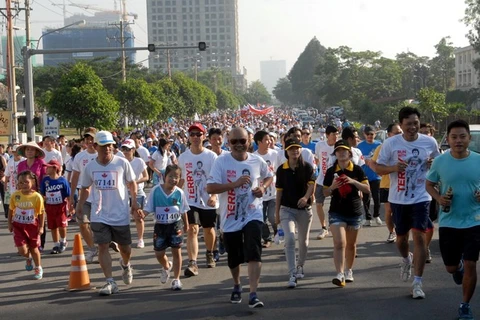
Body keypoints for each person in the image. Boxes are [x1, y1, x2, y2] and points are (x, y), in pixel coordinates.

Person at [376, 106, 440, 299]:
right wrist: (394, 167)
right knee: (402, 240)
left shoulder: (429, 142)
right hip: (398, 198)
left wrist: (432, 164)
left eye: (415, 123)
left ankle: (418, 283)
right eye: (408, 124)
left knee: (419, 238)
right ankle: (406, 259)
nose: (412, 127)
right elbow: (378, 168)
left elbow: (438, 162)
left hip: (422, 197)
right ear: (401, 125)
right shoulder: (391, 143)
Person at [207, 127, 273, 308]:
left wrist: (263, 188)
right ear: (228, 143)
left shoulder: (256, 161)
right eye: (234, 141)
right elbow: (210, 188)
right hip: (230, 216)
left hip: (253, 213)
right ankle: (237, 284)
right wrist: (234, 184)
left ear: (249, 141)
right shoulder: (221, 162)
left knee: (254, 251)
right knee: (234, 258)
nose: (238, 145)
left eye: (242, 141)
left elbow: (269, 176)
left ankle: (253, 294)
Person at [426, 120, 480, 319]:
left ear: (469, 139)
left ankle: (465, 306)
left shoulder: (478, 160)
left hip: (475, 220)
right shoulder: (440, 161)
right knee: (450, 267)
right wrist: (439, 198)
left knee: (472, 263)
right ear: (448, 139)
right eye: (454, 137)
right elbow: (429, 184)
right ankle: (457, 268)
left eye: (462, 136)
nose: (458, 140)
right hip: (449, 221)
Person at [77, 131, 138, 296]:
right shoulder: (90, 166)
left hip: (120, 213)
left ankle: (125, 265)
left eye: (110, 145)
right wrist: (80, 204)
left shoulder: (122, 163)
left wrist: (134, 202)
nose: (107, 149)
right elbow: (85, 188)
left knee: (126, 249)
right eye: (103, 146)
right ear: (95, 146)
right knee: (103, 246)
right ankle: (110, 282)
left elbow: (132, 183)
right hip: (99, 214)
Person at [323, 140, 370, 287]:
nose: (341, 153)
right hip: (337, 211)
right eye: (338, 151)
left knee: (351, 244)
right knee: (339, 243)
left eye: (344, 150)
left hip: (354, 211)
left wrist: (353, 182)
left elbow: (367, 189)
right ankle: (340, 273)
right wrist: (332, 187)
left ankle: (349, 270)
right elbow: (324, 192)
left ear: (350, 153)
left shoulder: (357, 170)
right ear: (335, 154)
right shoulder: (331, 171)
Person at [142, 164, 190, 290]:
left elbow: (183, 210)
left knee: (176, 251)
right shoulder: (156, 190)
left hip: (175, 225)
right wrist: (142, 214)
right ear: (164, 176)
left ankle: (176, 279)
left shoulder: (179, 192)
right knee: (159, 253)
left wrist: (187, 224)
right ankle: (166, 266)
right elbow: (148, 208)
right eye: (171, 176)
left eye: (176, 177)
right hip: (160, 226)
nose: (173, 179)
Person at [178, 123, 218, 273]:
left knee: (208, 229)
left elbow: (217, 178)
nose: (195, 137)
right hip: (190, 199)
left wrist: (214, 195)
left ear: (203, 136)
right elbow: (181, 179)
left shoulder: (211, 156)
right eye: (192, 134)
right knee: (192, 229)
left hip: (208, 199)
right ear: (188, 137)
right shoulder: (183, 157)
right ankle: (192, 262)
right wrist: (174, 194)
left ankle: (209, 253)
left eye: (198, 134)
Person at [275, 137, 315, 288]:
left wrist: (306, 197)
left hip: (304, 210)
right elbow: (279, 192)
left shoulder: (307, 167)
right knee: (290, 239)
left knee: (303, 241)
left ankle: (300, 265)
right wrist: (277, 213)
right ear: (286, 151)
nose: (295, 150)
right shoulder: (281, 169)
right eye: (292, 148)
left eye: (297, 148)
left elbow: (311, 185)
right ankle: (292, 273)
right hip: (287, 209)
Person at [69, 127, 101, 263]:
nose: (89, 141)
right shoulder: (80, 156)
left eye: (92, 138)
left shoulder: (102, 155)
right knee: (83, 223)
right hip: (84, 197)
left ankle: (104, 244)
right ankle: (92, 248)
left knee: (99, 226)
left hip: (101, 197)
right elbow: (75, 176)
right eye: (87, 138)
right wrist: (71, 196)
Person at [8, 170, 46, 280]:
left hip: (32, 226)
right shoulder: (15, 196)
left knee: (34, 248)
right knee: (22, 250)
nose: (23, 185)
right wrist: (9, 223)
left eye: (26, 182)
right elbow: (11, 210)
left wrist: (42, 227)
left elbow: (41, 213)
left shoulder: (37, 197)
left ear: (32, 182)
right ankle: (27, 257)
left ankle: (38, 267)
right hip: (18, 226)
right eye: (20, 183)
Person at [369, 123, 403, 243]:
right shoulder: (382, 147)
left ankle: (402, 232)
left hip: (402, 185)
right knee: (389, 211)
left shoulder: (407, 146)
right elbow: (372, 163)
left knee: (402, 211)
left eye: (401, 132)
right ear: (389, 135)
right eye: (397, 133)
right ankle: (391, 231)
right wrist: (379, 172)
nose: (400, 135)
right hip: (387, 185)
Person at [17, 141, 47, 251]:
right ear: (24, 151)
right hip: (24, 195)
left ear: (36, 152)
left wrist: (44, 194)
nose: (29, 151)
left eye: (32, 149)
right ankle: (27, 243)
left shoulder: (41, 163)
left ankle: (40, 243)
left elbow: (44, 179)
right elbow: (19, 181)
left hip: (38, 195)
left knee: (39, 219)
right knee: (26, 219)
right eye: (27, 149)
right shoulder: (21, 164)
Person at [121, 139, 149, 248]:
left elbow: (146, 177)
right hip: (123, 193)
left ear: (133, 149)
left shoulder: (139, 161)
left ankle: (140, 239)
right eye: (124, 149)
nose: (126, 151)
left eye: (128, 149)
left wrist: (134, 182)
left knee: (138, 217)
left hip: (138, 192)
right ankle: (124, 240)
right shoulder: (120, 161)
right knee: (123, 218)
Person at [254, 130, 279, 248]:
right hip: (260, 194)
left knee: (272, 217)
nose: (269, 142)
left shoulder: (275, 154)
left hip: (274, 192)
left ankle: (276, 230)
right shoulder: (254, 157)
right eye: (266, 140)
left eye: (270, 139)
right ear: (259, 142)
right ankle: (267, 238)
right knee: (261, 218)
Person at [40, 160, 71, 254]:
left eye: (48, 167)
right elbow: (42, 193)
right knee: (53, 227)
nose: (46, 169)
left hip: (60, 207)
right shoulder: (45, 180)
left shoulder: (62, 180)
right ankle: (56, 244)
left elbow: (68, 194)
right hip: (50, 207)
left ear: (55, 168)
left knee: (61, 226)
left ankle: (63, 241)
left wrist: (70, 206)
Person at [314, 125, 339, 239]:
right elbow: (318, 160)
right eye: (333, 134)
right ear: (327, 135)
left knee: (337, 204)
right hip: (321, 180)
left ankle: (336, 226)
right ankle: (324, 228)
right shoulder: (320, 145)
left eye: (337, 134)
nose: (336, 136)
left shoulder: (339, 146)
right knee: (319, 204)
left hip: (335, 181)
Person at [357, 126, 382, 226]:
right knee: (366, 198)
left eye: (371, 134)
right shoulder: (360, 146)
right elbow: (358, 160)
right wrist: (365, 161)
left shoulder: (379, 145)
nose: (370, 136)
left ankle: (376, 215)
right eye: (368, 134)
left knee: (377, 198)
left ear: (375, 134)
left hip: (376, 176)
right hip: (364, 176)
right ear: (364, 134)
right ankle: (368, 217)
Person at [4, 145, 24, 218]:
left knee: (22, 201)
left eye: (18, 151)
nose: (16, 153)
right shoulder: (10, 160)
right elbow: (7, 173)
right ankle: (16, 217)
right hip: (13, 186)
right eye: (14, 151)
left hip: (23, 186)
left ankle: (22, 215)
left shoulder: (24, 160)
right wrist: (5, 183)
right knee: (15, 202)